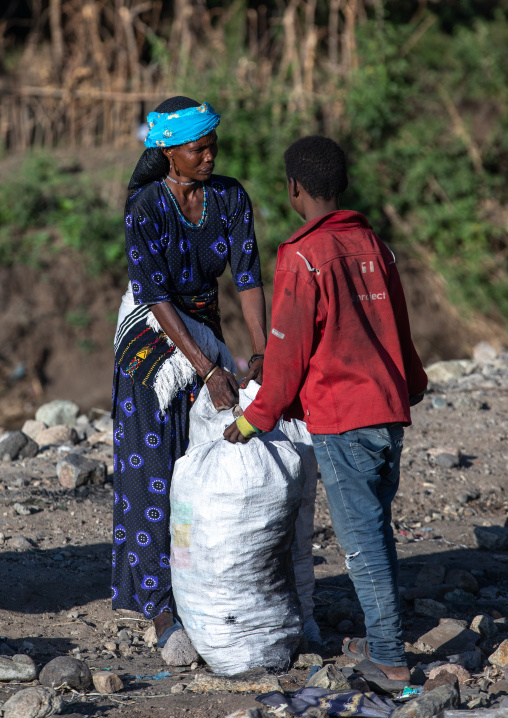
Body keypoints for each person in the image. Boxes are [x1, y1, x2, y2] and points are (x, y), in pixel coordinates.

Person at [224, 136, 428, 693]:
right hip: (388, 412)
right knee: (376, 528)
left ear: (294, 188)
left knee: (360, 539)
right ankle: (380, 635)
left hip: (344, 419)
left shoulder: (303, 255)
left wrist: (254, 418)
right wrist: (412, 383)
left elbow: (287, 354)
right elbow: (398, 329)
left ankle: (388, 659)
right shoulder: (374, 245)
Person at [111, 96, 267, 654]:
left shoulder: (229, 198)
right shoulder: (145, 207)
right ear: (168, 152)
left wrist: (259, 352)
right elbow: (153, 295)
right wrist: (206, 368)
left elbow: (247, 277)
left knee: (202, 461)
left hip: (204, 324)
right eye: (198, 148)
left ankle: (207, 588)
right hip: (154, 337)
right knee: (154, 468)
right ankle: (159, 608)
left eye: (212, 146)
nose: (209, 156)